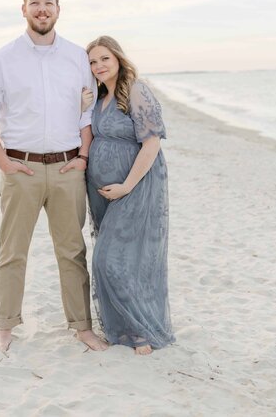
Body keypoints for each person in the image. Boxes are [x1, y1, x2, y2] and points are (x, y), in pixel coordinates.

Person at [0, 0, 107, 353]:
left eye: (48, 3)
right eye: (35, 3)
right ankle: (5, 325)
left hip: (68, 170)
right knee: (12, 250)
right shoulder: (2, 58)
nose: (42, 9)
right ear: (24, 9)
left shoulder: (78, 57)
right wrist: (4, 163)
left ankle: (82, 327)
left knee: (72, 251)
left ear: (58, 9)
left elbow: (87, 115)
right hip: (21, 170)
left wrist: (82, 158)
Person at [82, 36, 175, 355]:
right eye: (92, 61)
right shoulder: (99, 96)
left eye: (104, 58)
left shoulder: (136, 89)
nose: (98, 66)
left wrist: (127, 185)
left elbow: (151, 144)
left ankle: (140, 333)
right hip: (101, 191)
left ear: (118, 58)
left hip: (135, 186)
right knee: (116, 257)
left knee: (112, 259)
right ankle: (122, 329)